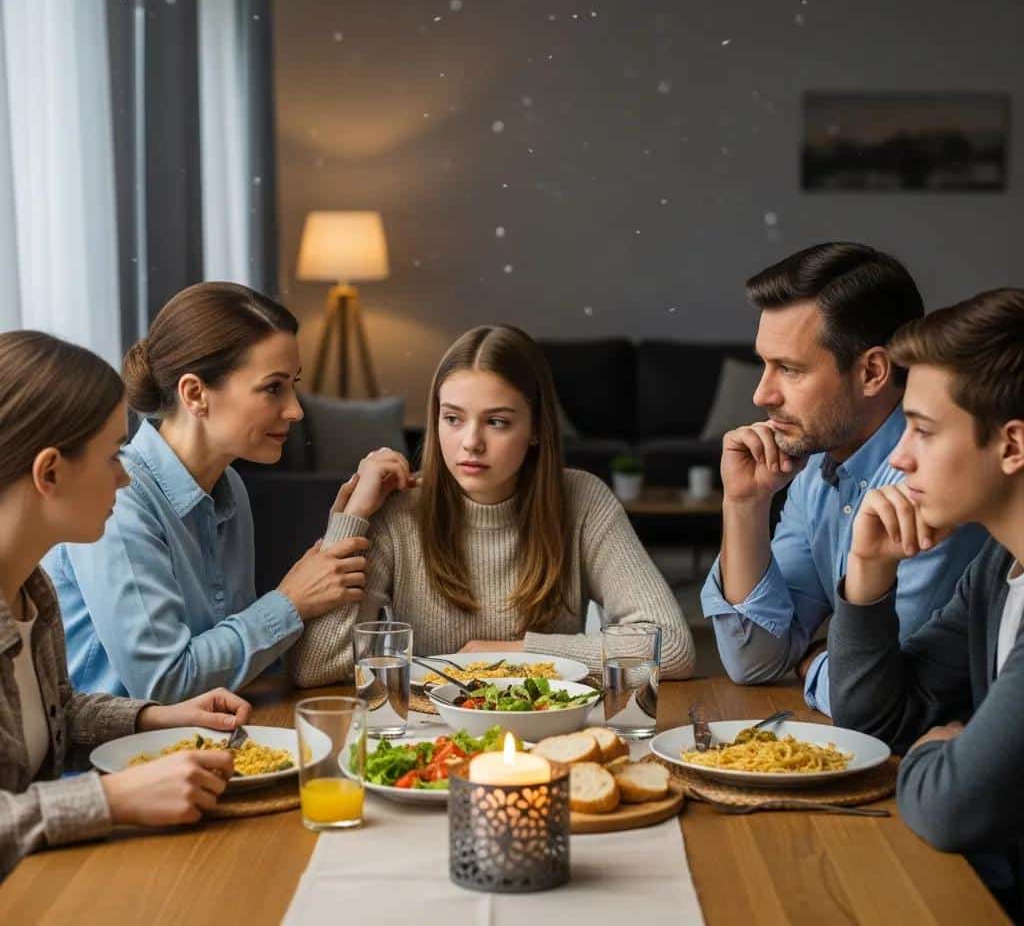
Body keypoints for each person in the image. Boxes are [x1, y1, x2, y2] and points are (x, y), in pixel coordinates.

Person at [289, 324, 696, 686]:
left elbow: (672, 647)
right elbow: (317, 666)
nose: (471, 442)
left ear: (536, 427)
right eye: (453, 419)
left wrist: (519, 653)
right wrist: (353, 515)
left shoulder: (583, 499)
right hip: (431, 737)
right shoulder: (399, 510)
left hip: (546, 733)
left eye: (496, 421)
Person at [0, 330, 254, 880]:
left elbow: (53, 716)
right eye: (114, 454)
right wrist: (110, 799)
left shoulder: (31, 593)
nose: (125, 474)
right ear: (49, 472)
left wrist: (155, 718)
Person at [44, 283, 367, 702]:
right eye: (273, 388)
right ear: (195, 394)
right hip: (117, 758)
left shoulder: (229, 486)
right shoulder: (120, 500)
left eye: (293, 386)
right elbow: (165, 683)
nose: (295, 410)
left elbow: (240, 663)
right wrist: (290, 601)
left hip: (198, 748)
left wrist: (347, 523)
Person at [700, 242, 986, 713]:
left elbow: (876, 696)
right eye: (763, 364)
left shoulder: (931, 483)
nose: (761, 394)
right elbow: (753, 660)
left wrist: (811, 662)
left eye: (789, 370)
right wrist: (745, 505)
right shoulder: (815, 470)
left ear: (872, 371)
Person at [829, 288, 1024, 919]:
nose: (896, 456)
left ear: (1013, 446)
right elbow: (871, 721)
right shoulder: (999, 567)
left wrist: (929, 754)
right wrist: (868, 571)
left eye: (923, 429)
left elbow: (952, 808)